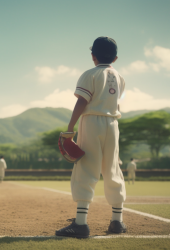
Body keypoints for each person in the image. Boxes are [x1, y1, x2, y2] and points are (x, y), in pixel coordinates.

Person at [55, 37, 127, 238]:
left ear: (92, 56)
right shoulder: (120, 77)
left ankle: (81, 224)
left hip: (92, 122)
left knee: (86, 168)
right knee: (113, 169)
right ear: (116, 57)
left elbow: (81, 102)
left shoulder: (90, 74)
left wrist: (70, 129)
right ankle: (117, 221)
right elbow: (116, 104)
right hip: (113, 123)